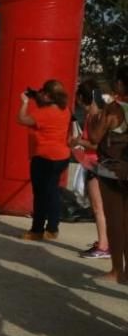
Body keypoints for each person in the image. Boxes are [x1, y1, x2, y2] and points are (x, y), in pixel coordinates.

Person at [16, 80, 72, 241]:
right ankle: (53, 228)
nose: (40, 93)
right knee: (53, 192)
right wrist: (36, 97)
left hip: (44, 157)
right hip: (61, 156)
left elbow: (22, 119)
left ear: (48, 95)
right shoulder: (65, 110)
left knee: (40, 194)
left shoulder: (44, 113)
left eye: (42, 91)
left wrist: (25, 102)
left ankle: (37, 230)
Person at [88, 64, 128, 284]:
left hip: (113, 173)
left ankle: (116, 270)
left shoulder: (114, 109)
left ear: (120, 84)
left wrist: (95, 113)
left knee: (115, 220)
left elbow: (94, 137)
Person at [71, 79, 110, 260]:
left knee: (98, 207)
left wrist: (78, 141)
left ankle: (103, 245)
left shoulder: (94, 116)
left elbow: (96, 144)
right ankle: (105, 242)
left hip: (96, 165)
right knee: (103, 207)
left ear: (81, 98)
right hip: (98, 164)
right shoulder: (99, 114)